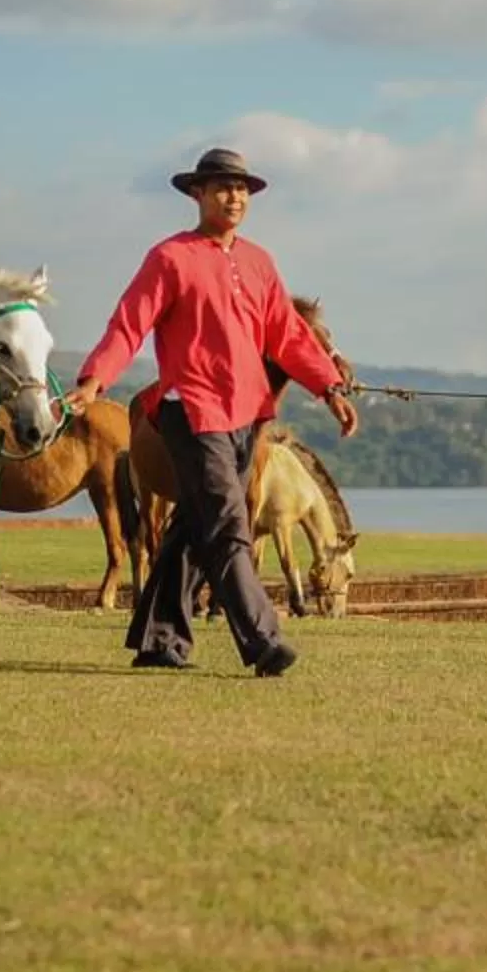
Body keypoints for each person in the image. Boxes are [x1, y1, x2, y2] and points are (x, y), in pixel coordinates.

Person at [69, 148, 357, 676]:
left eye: (242, 188)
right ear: (197, 194)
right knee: (228, 523)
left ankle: (159, 639)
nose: (235, 196)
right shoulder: (169, 258)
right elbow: (128, 324)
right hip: (192, 409)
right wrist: (94, 381)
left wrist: (330, 387)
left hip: (249, 414)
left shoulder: (259, 262)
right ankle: (263, 639)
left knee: (192, 529)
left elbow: (289, 336)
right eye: (223, 187)